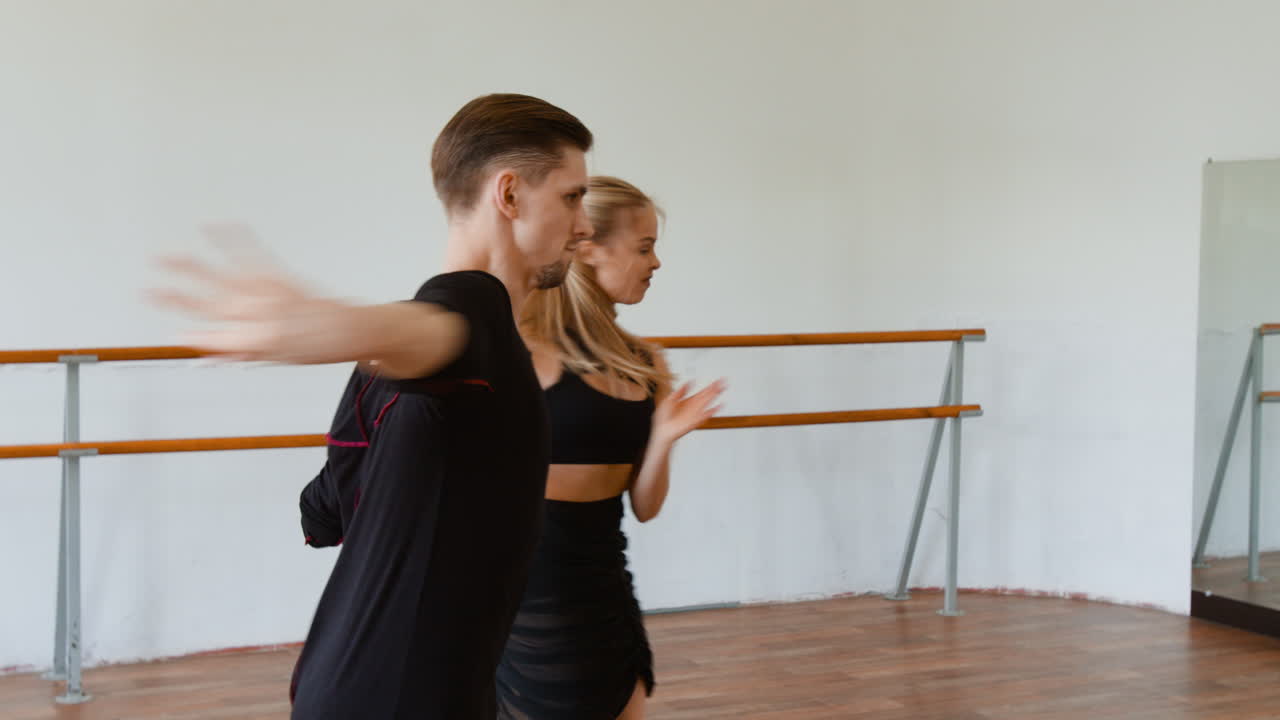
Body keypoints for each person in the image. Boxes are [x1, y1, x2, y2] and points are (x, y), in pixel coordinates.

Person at [151, 93, 594, 719]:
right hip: (397, 697)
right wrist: (335, 325)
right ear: (511, 194)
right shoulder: (468, 317)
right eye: (573, 197)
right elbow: (426, 332)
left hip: (366, 682)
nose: (584, 224)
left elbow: (325, 509)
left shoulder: (400, 371)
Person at [495, 176, 724, 719]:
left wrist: (665, 438)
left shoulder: (645, 361)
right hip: (530, 590)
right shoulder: (524, 347)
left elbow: (644, 506)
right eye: (644, 247)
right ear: (588, 245)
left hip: (604, 582)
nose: (656, 263)